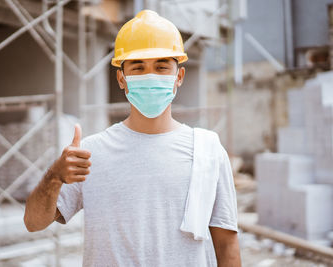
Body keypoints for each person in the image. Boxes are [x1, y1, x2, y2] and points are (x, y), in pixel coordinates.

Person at [24, 10, 241, 267]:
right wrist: (55, 177)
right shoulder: (91, 152)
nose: (150, 75)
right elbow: (33, 222)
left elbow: (226, 245)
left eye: (161, 66)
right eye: (138, 67)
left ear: (179, 77)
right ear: (121, 78)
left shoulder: (207, 151)